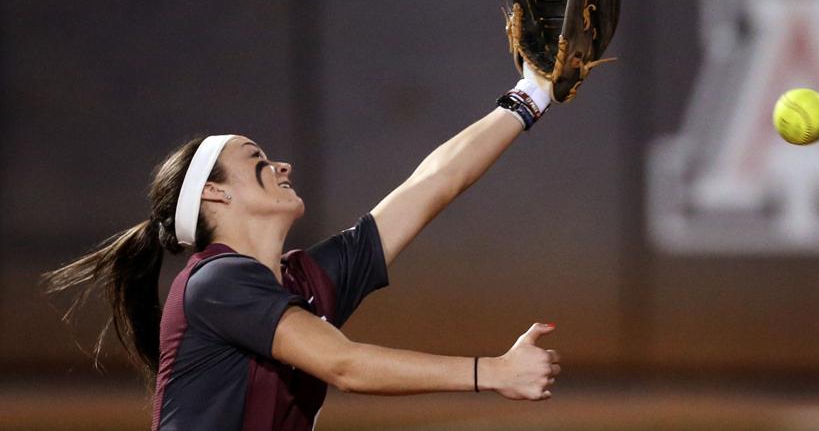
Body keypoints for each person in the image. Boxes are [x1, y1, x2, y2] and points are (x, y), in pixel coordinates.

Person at [44, 67, 562, 431]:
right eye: (258, 160)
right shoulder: (214, 282)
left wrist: (530, 94)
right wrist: (490, 372)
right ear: (214, 193)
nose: (281, 166)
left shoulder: (301, 281)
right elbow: (346, 367)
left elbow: (433, 184)